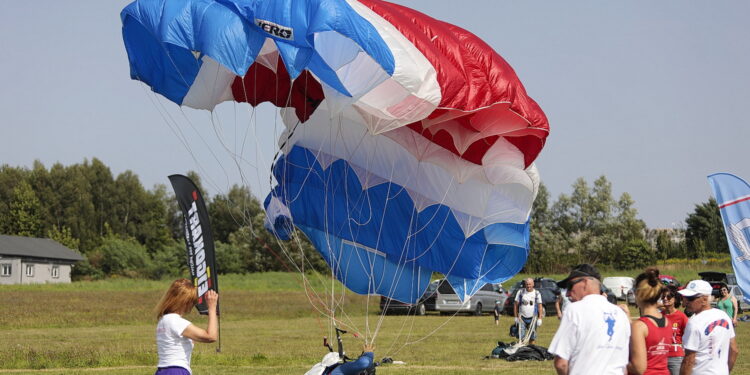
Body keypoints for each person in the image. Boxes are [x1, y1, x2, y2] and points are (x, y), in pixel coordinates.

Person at [549, 264, 630, 375]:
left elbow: (561, 363)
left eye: (570, 286)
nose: (567, 294)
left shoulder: (574, 310)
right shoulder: (621, 315)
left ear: (585, 282)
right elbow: (624, 366)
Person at [154, 278, 219, 375]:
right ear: (185, 302)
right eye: (192, 302)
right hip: (177, 371)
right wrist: (212, 308)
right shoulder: (176, 322)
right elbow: (211, 336)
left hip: (162, 371)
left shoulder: (164, 320)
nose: (192, 305)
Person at [678, 280, 739, 375]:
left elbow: (689, 360)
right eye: (685, 298)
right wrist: (726, 370)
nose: (686, 302)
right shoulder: (723, 316)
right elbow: (734, 350)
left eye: (691, 298)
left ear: (704, 299)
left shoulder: (694, 322)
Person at [627, 268, 670, 375]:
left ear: (638, 294)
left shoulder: (639, 326)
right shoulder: (666, 321)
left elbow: (639, 368)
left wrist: (618, 358)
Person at [661, 285, 688, 375]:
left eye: (668, 296)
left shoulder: (681, 317)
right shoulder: (659, 316)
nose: (665, 299)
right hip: (660, 356)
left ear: (675, 299)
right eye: (663, 296)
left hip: (676, 357)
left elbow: (689, 336)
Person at [514, 278, 543, 344]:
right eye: (527, 284)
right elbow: (515, 305)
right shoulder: (520, 292)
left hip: (533, 318)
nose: (528, 286)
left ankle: (531, 350)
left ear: (533, 284)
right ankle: (521, 351)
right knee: (521, 336)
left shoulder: (537, 293)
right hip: (522, 318)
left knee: (532, 336)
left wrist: (540, 318)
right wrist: (515, 317)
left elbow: (540, 306)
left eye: (530, 284)